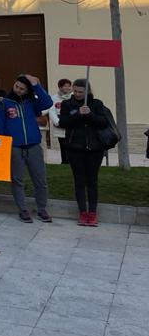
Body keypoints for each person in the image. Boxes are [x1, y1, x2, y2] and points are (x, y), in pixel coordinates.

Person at [0, 74, 55, 223]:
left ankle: (42, 208)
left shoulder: (32, 102)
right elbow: (0, 124)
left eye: (22, 89)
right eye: (16, 86)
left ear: (28, 90)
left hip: (33, 146)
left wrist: (36, 86)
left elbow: (48, 103)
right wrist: (4, 145)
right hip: (15, 147)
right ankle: (23, 209)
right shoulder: (5, 103)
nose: (18, 90)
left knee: (40, 179)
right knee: (17, 180)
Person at [59, 79, 110, 227]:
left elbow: (103, 122)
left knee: (92, 181)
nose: (77, 94)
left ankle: (92, 213)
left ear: (87, 91)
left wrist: (90, 114)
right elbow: (63, 122)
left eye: (80, 92)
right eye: (75, 91)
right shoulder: (67, 104)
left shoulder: (97, 104)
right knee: (79, 181)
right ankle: (82, 212)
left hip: (94, 148)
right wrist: (78, 114)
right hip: (74, 148)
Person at [47, 78, 73, 165]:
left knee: (72, 144)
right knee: (63, 144)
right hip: (60, 125)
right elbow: (51, 111)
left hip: (71, 125)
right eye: (65, 86)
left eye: (69, 86)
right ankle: (64, 162)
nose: (68, 88)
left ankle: (73, 161)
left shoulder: (73, 97)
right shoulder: (54, 98)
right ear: (60, 87)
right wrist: (58, 122)